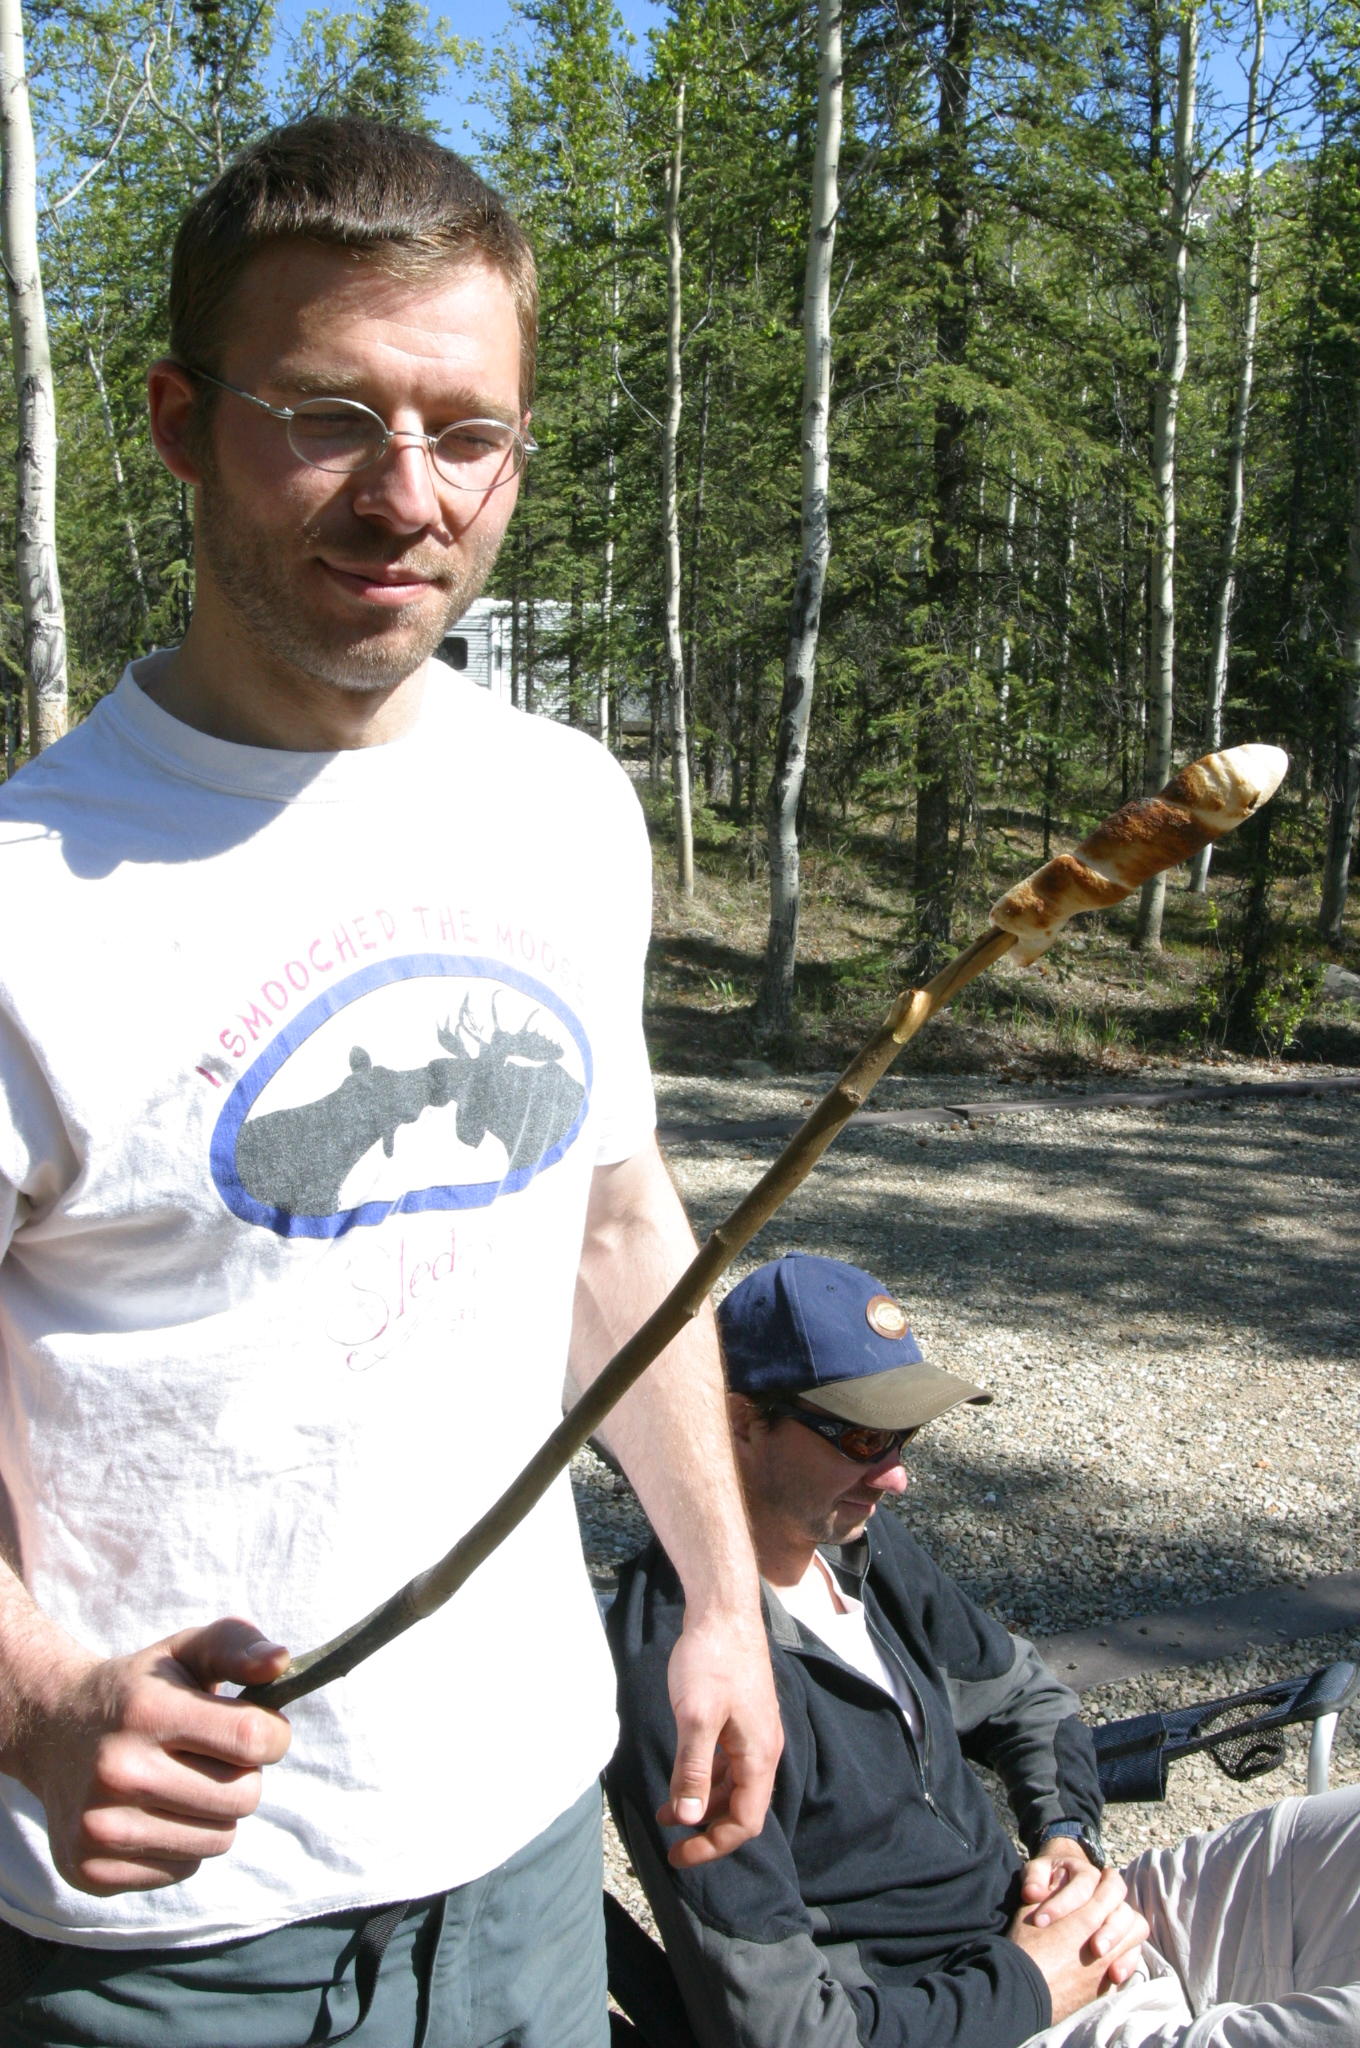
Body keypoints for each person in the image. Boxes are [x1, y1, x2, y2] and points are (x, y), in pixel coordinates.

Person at [0, 117, 779, 2048]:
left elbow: (612, 1225)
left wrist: (721, 1594)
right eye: (331, 417)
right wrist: (35, 1697)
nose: (406, 497)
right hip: (171, 1937)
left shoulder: (562, 805)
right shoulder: (30, 898)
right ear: (183, 423)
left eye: (467, 432)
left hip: (527, 1850)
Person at [607, 1251, 1360, 2048]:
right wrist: (1028, 1985)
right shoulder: (689, 1680)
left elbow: (1025, 1697)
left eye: (905, 1436)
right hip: (987, 2018)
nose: (896, 1476)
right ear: (739, 1422)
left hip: (1080, 1926)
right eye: (862, 1437)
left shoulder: (855, 1543)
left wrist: (1068, 1837)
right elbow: (785, 2031)